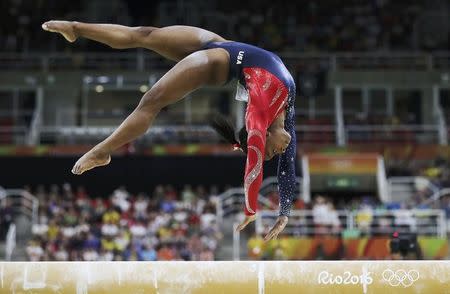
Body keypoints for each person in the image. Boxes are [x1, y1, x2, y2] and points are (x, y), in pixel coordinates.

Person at [42, 20, 297, 241]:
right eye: (271, 152)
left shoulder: (259, 119)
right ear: (263, 135)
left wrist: (281, 212)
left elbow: (279, 163)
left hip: (216, 62)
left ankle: (102, 151)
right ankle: (76, 29)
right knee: (144, 34)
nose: (279, 153)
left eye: (271, 155)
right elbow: (262, 164)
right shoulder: (281, 110)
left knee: (152, 101)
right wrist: (256, 209)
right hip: (220, 45)